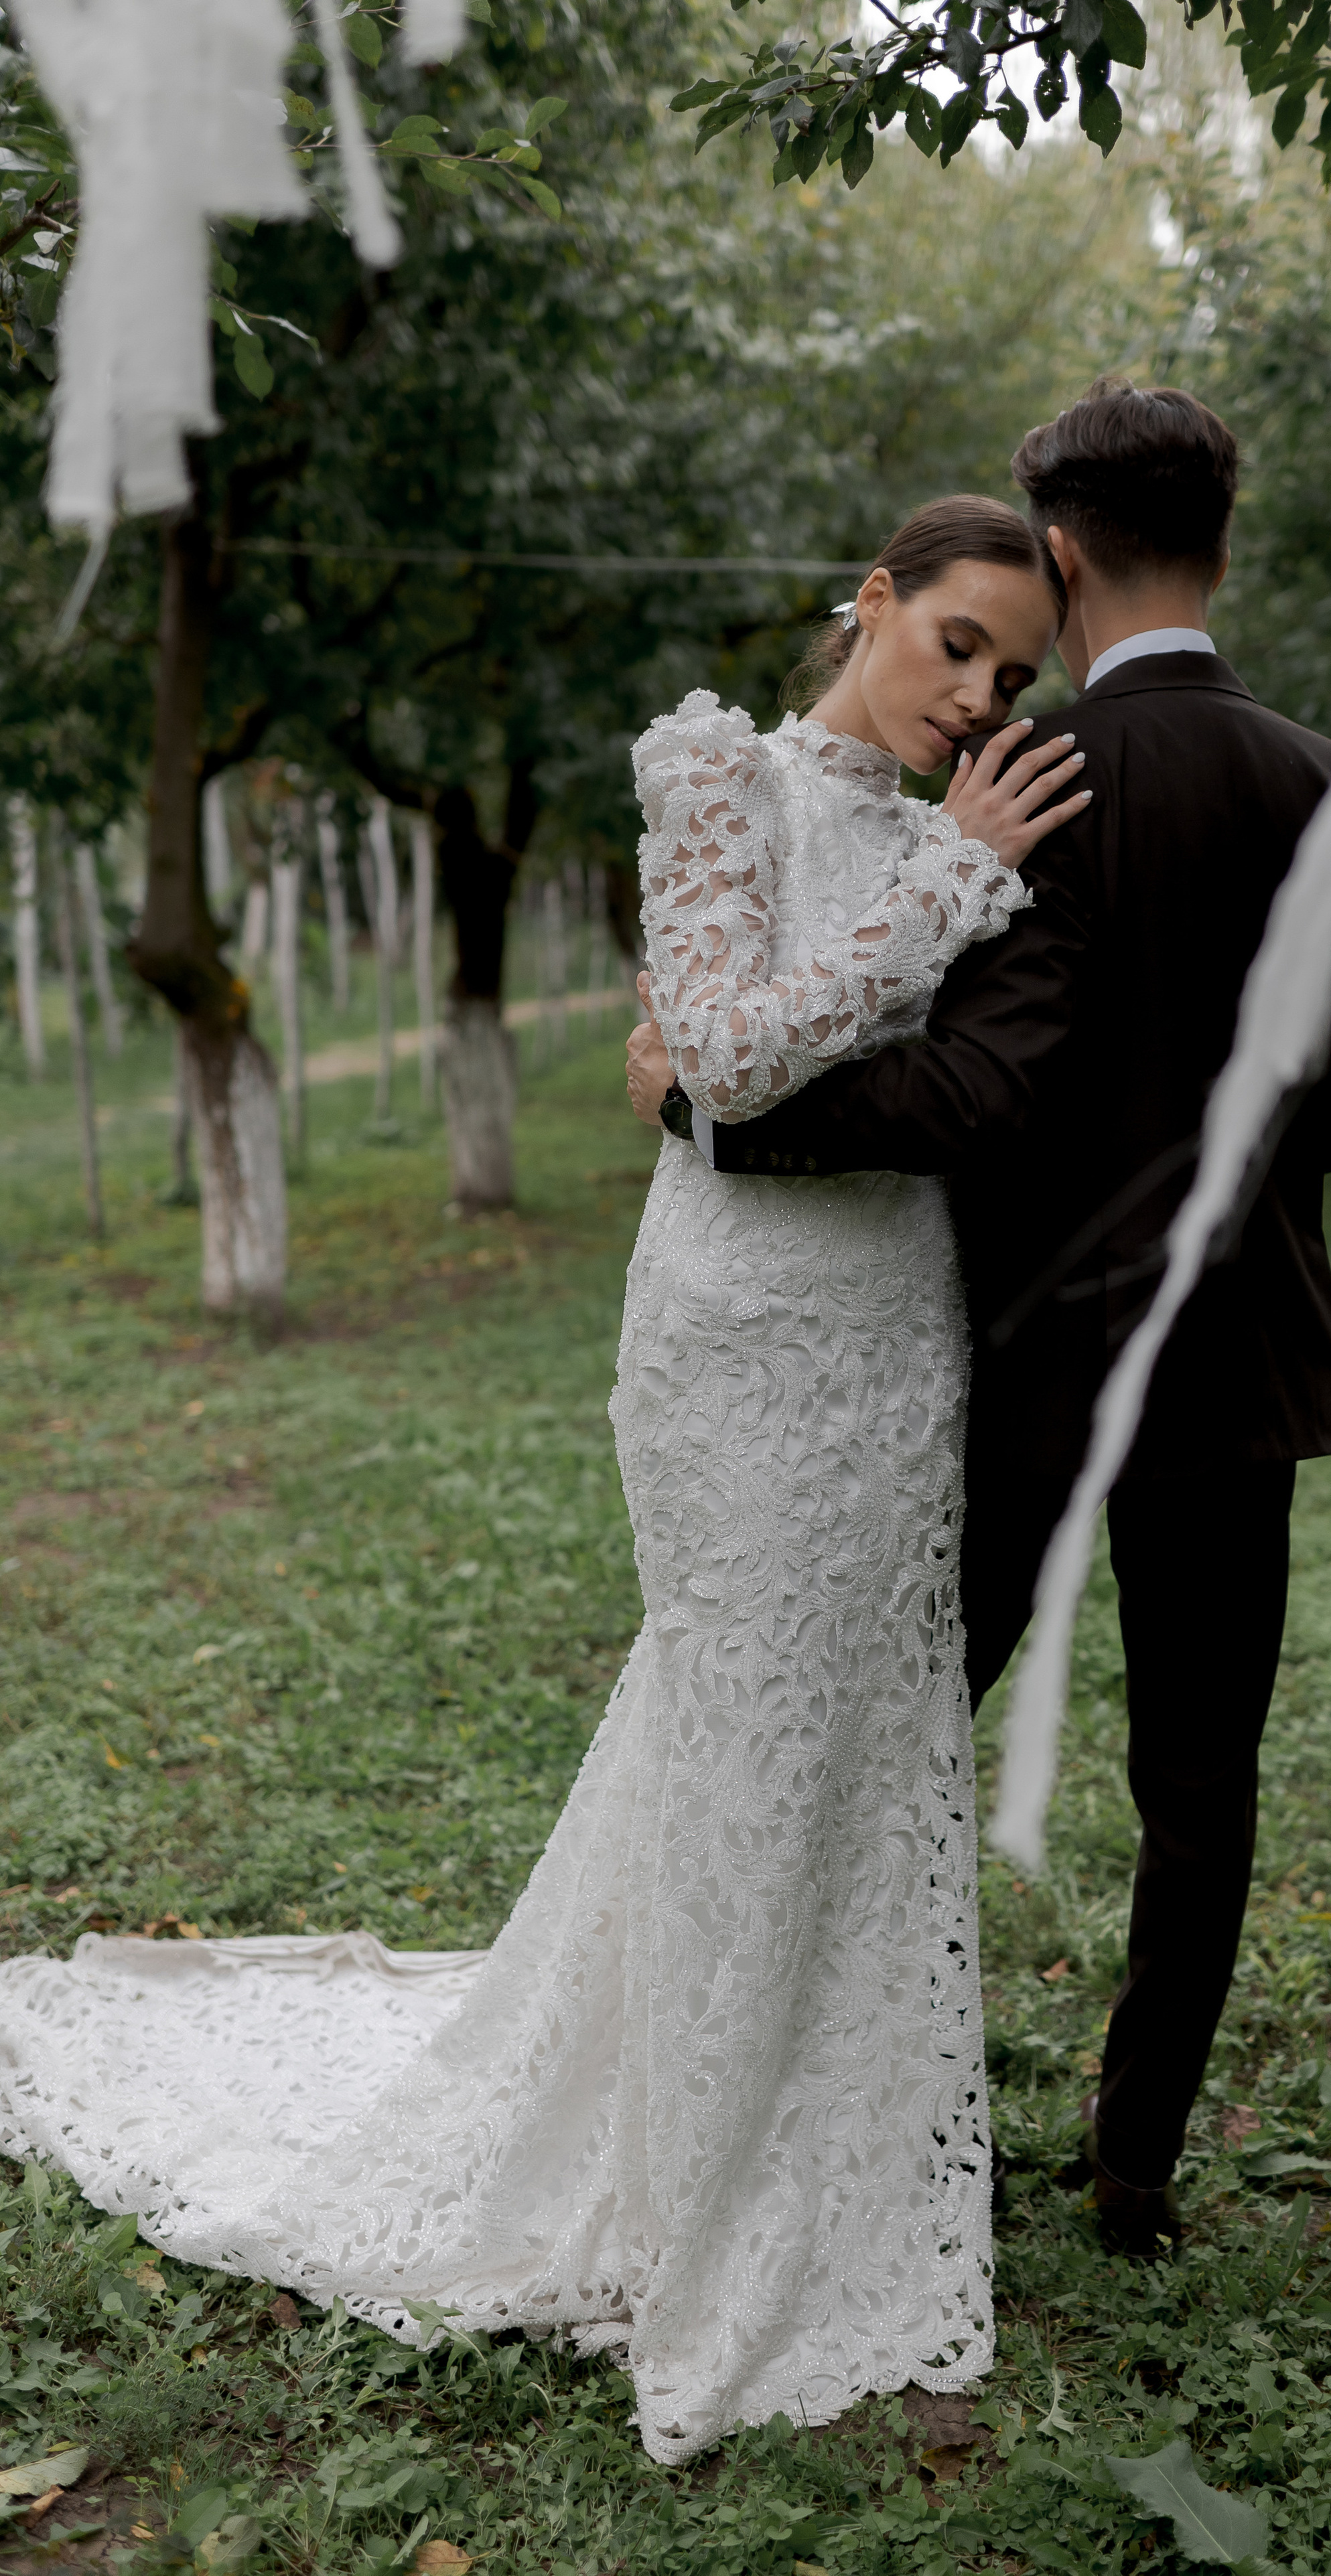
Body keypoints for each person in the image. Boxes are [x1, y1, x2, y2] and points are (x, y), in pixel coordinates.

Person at [0, 497, 1082, 2464]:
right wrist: (948, 887)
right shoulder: (712, 779)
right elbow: (737, 1058)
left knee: (854, 1746)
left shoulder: (965, 830)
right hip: (735, 1334)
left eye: (1012, 674)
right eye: (955, 644)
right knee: (741, 1720)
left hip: (894, 1336)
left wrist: (935, 885)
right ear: (872, 602)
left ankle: (832, 2158)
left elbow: (770, 1057)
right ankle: (697, 2195)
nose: (977, 694)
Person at [628, 382, 1331, 2263]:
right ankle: (1133, 2168)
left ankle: (864, 2101)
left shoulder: (1036, 784)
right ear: (1226, 549)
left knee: (906, 1737)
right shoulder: (1329, 777)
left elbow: (975, 1091)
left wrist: (713, 1118)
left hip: (1028, 1361)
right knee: (1201, 1780)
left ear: (1058, 555)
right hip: (1240, 1370)